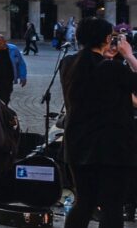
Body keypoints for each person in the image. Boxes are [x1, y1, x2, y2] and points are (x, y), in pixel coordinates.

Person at [59, 18, 137, 228]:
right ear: (106, 39)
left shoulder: (68, 64)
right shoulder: (113, 69)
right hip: (112, 147)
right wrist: (129, 55)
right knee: (112, 205)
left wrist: (108, 57)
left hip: (77, 144)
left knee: (84, 202)